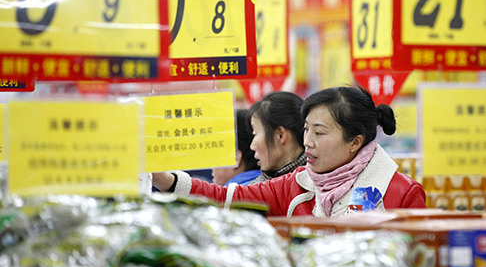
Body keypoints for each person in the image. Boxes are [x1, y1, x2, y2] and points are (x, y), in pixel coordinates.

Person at [152, 86, 426, 217]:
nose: (308, 141)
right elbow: (226, 197)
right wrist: (166, 180)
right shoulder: (294, 184)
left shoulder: (402, 193)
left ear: (355, 141)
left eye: (319, 133)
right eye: (306, 129)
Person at [155, 91, 306, 194]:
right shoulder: (262, 187)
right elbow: (221, 196)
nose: (252, 146)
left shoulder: (319, 184)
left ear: (280, 135)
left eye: (256, 133)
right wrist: (166, 180)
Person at [211, 109, 260, 186]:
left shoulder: (233, 195)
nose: (211, 165)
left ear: (235, 158)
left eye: (215, 154)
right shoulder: (269, 186)